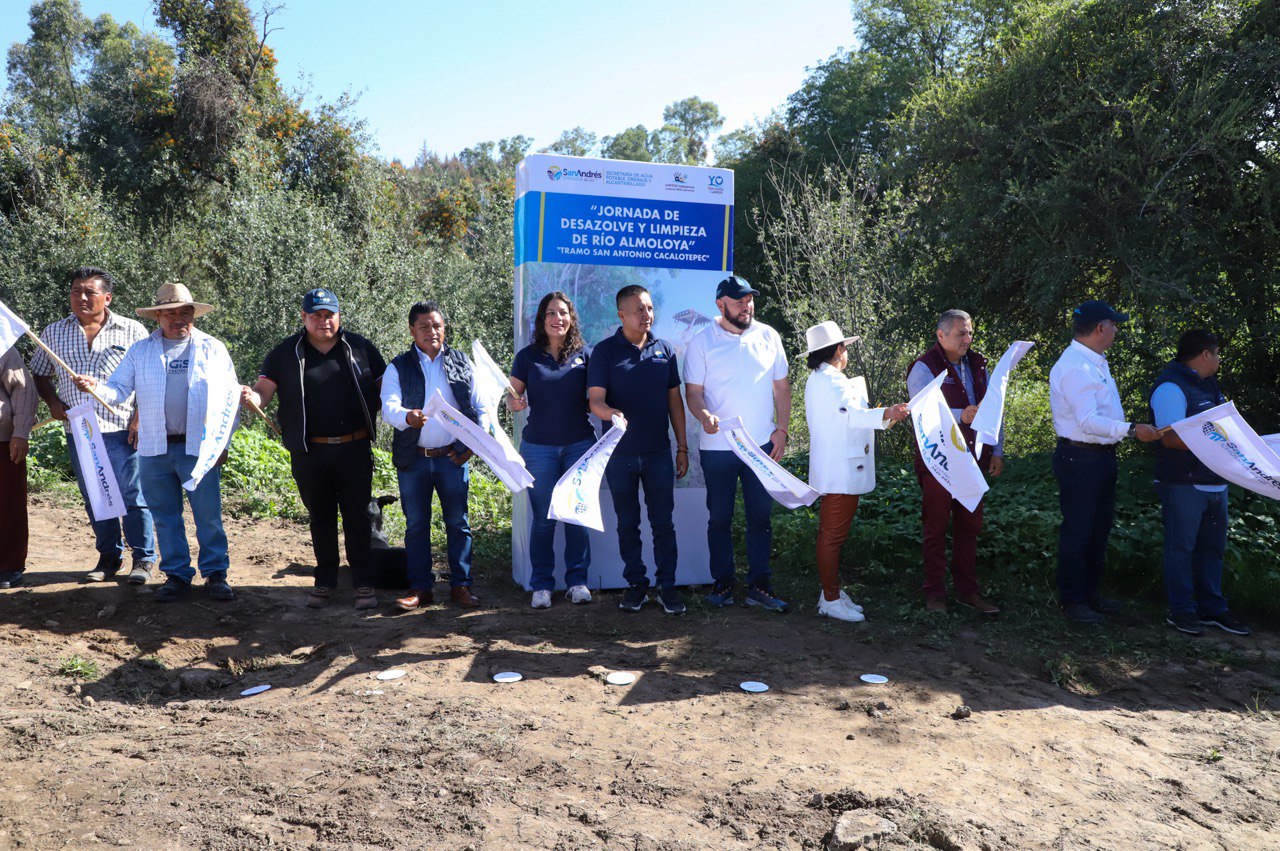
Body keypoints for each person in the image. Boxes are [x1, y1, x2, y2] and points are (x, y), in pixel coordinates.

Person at [74, 283, 239, 603]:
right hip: (153, 449)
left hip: (199, 447)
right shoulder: (141, 351)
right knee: (165, 516)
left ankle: (216, 573)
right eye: (171, 313)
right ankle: (177, 574)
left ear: (194, 314)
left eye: (185, 312)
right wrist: (94, 387)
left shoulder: (212, 348)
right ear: (159, 317)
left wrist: (222, 443)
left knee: (208, 515)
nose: (179, 319)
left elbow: (229, 400)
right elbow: (118, 391)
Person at [242, 288, 386, 610]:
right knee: (321, 518)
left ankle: (363, 583)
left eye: (329, 314)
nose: (324, 321)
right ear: (304, 317)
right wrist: (253, 398)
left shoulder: (361, 348)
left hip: (355, 447)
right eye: (317, 315)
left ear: (338, 316)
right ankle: (325, 583)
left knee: (357, 517)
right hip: (309, 452)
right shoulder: (285, 352)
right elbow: (263, 390)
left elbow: (386, 389)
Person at [31, 267, 157, 584]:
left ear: (107, 297)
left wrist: (140, 419)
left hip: (121, 427)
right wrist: (53, 402)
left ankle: (143, 559)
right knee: (95, 496)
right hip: (80, 430)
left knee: (132, 495)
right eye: (76, 291)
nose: (82, 298)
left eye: (90, 292)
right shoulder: (54, 332)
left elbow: (148, 378)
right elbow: (39, 372)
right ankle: (109, 557)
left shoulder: (133, 332)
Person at [684, 274, 792, 612]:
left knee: (761, 517)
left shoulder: (769, 335)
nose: (747, 305)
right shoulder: (702, 341)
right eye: (738, 300)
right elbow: (693, 394)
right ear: (720, 304)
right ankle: (723, 583)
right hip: (717, 449)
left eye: (749, 299)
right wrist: (704, 416)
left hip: (761, 446)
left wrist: (783, 431)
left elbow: (782, 387)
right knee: (719, 518)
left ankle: (760, 585)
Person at [1048, 300, 1159, 624]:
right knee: (1079, 531)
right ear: (1100, 328)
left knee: (1098, 529)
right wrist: (1130, 430)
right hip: (1080, 456)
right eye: (1114, 324)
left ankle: (1089, 594)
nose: (1116, 330)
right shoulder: (1074, 367)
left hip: (1098, 456)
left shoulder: (1095, 361)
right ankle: (1073, 601)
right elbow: (1087, 421)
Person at [588, 284, 689, 615]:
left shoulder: (665, 350)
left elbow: (675, 401)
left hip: (659, 453)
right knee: (627, 523)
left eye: (648, 308)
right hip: (619, 455)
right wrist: (610, 413)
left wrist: (682, 447)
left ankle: (668, 588)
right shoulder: (604, 352)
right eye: (638, 310)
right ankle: (636, 585)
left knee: (663, 523)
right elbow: (596, 401)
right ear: (621, 315)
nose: (646, 315)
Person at [381, 300, 487, 611]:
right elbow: (389, 407)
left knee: (458, 523)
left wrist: (471, 447)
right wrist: (407, 417)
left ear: (445, 328)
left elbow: (481, 409)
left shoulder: (461, 362)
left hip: (452, 458)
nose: (432, 331)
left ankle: (461, 587)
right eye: (424, 326)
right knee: (416, 525)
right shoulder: (397, 366)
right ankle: (421, 589)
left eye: (437, 325)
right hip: (414, 459)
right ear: (412, 330)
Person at [803, 321, 909, 622]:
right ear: (838, 350)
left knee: (832, 533)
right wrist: (889, 413)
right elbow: (856, 416)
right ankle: (830, 597)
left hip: (838, 466)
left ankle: (831, 591)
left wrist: (887, 416)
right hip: (840, 469)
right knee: (833, 536)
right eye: (845, 347)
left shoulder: (822, 378)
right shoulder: (831, 381)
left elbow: (853, 417)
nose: (846, 352)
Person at [1149, 330, 1249, 636]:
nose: (1219, 360)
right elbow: (1171, 437)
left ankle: (1213, 609)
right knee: (1181, 549)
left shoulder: (1208, 384)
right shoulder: (1170, 387)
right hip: (1183, 483)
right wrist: (1218, 445)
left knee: (1212, 550)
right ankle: (1182, 611)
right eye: (1217, 353)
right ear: (1204, 354)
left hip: (1216, 483)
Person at [906, 309, 1003, 615]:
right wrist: (961, 414)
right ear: (941, 335)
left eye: (970, 332)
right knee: (935, 528)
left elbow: (993, 408)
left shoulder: (978, 363)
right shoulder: (923, 368)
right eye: (961, 333)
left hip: (974, 459)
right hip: (939, 463)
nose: (967, 339)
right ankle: (935, 594)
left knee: (969, 528)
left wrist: (998, 449)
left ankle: (967, 592)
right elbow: (923, 414)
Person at [506, 291, 595, 609]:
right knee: (543, 519)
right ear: (541, 320)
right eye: (550, 313)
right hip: (538, 449)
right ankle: (542, 584)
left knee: (576, 518)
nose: (558, 318)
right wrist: (514, 402)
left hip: (579, 446)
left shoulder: (587, 355)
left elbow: (596, 398)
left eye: (563, 313)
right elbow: (512, 396)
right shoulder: (527, 356)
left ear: (571, 319)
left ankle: (577, 582)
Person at [0, 345, 37, 589]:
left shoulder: (2, 346)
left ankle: (9, 566)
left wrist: (20, 433)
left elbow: (23, 390)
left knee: (7, 504)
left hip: (2, 441)